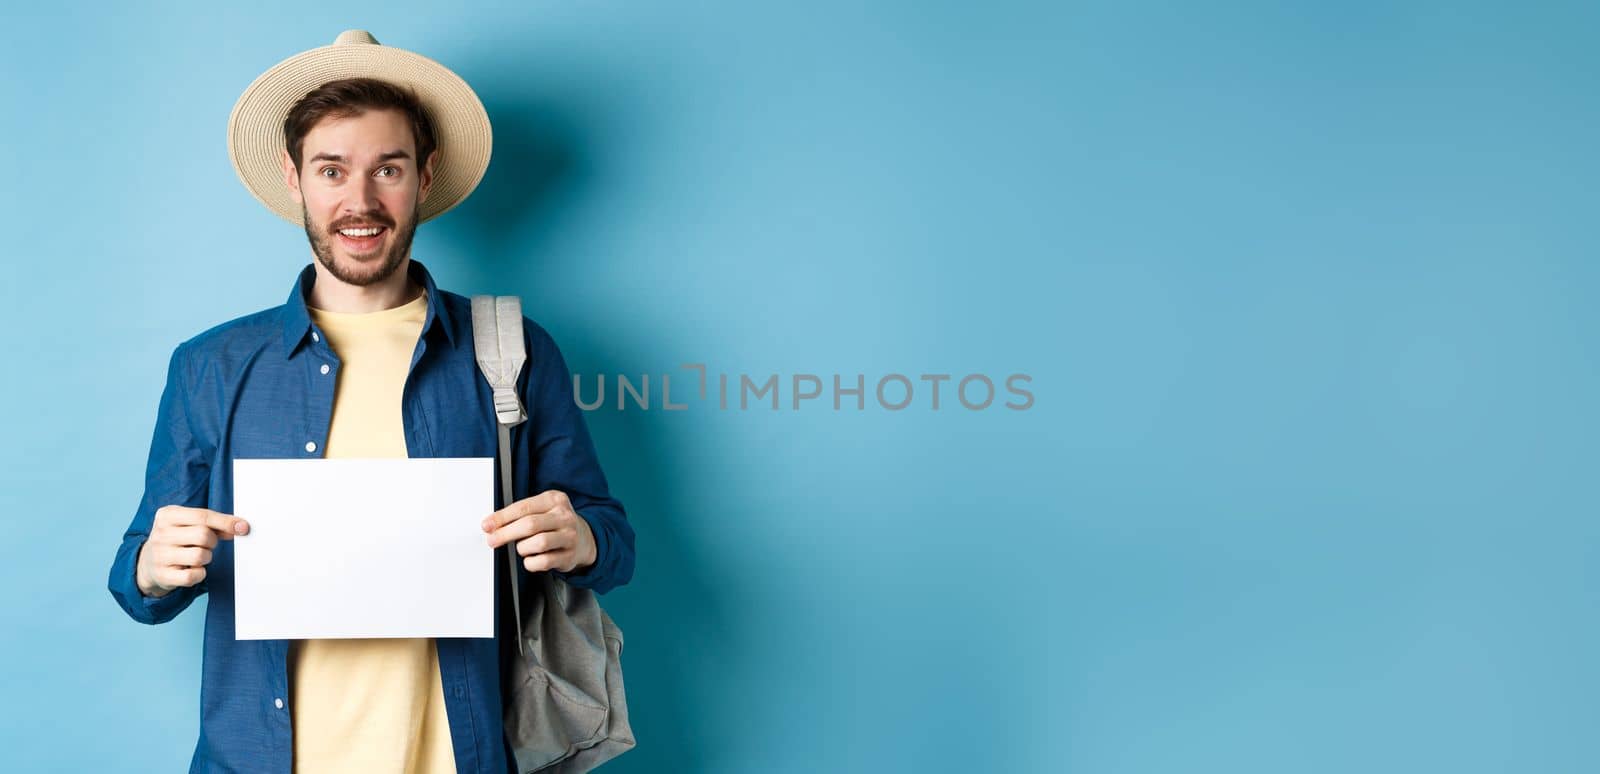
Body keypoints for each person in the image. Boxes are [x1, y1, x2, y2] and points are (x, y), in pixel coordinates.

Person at [105, 30, 635, 774]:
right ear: (296, 179)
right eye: (332, 170)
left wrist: (580, 539)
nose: (360, 202)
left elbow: (611, 539)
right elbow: (136, 580)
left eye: (387, 169)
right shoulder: (210, 367)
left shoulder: (510, 351)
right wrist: (154, 567)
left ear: (424, 176)